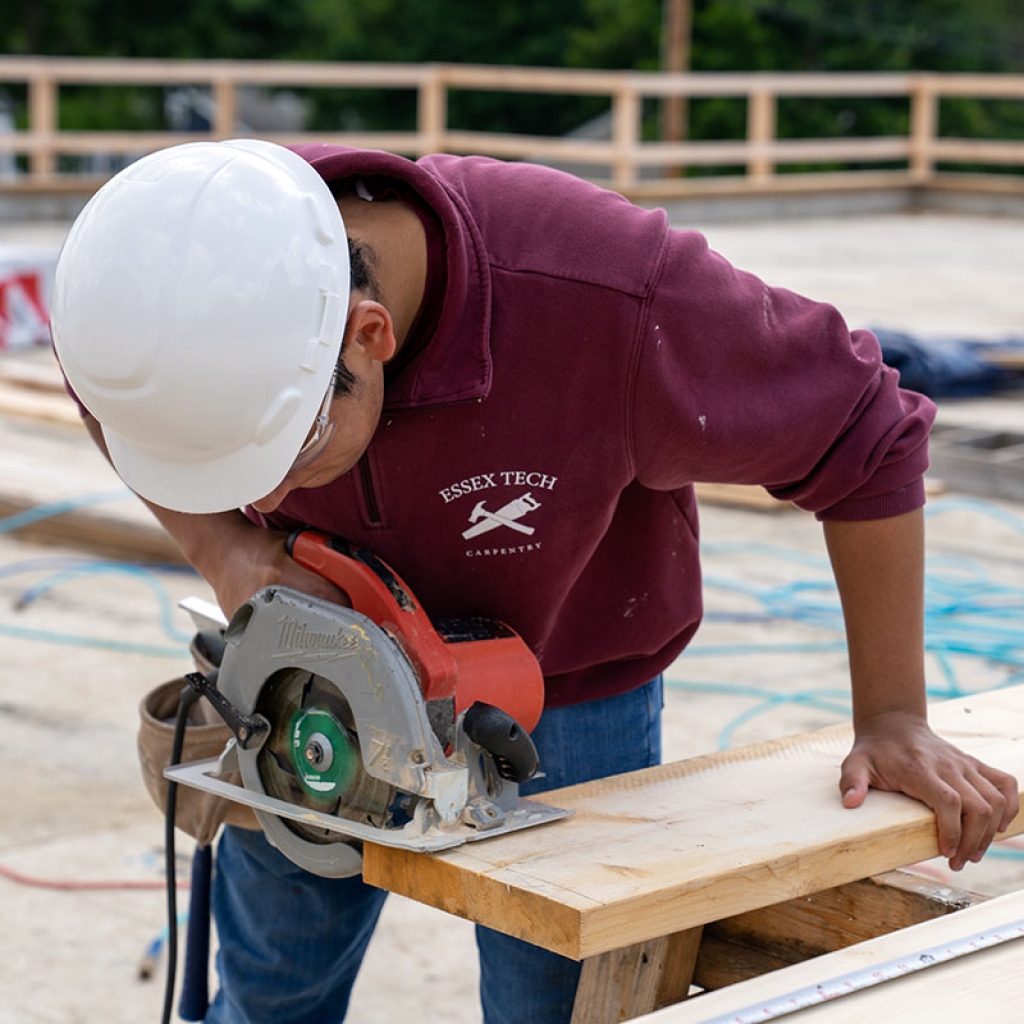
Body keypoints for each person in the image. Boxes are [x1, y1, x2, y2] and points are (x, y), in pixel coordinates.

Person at [50, 139, 1018, 1024]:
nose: (258, 495)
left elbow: (864, 426)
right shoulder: (162, 273)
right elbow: (104, 389)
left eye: (281, 457)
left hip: (566, 681)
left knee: (548, 1008)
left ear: (369, 335)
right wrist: (227, 548)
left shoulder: (607, 297)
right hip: (303, 671)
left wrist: (891, 712)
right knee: (268, 995)